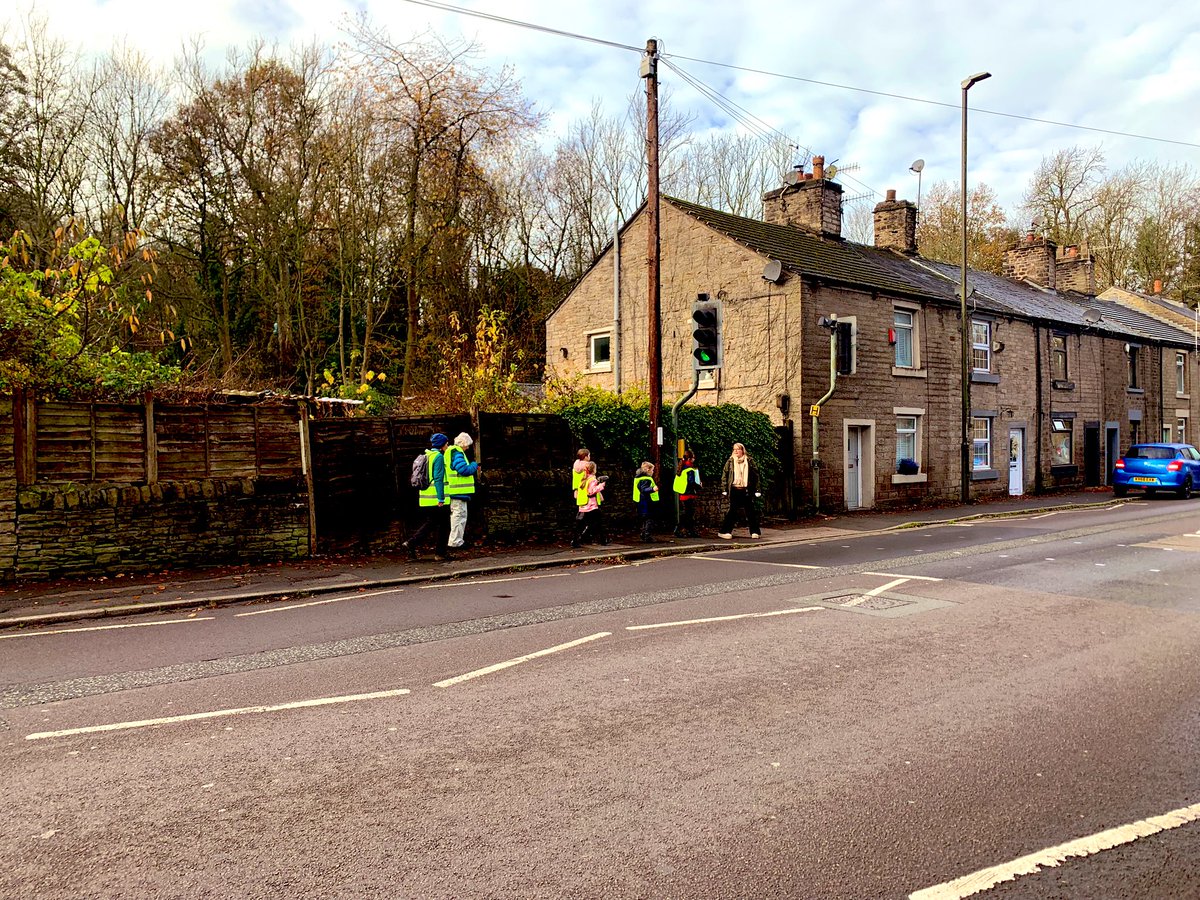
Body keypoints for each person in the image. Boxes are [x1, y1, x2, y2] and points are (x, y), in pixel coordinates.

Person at [401, 433, 452, 559]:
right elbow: (438, 478)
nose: (447, 445)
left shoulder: (427, 455)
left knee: (432, 523)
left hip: (425, 497)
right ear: (442, 445)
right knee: (443, 525)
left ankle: (412, 544)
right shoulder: (438, 457)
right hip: (436, 498)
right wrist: (441, 498)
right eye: (446, 443)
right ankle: (439, 553)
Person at [445, 432, 480, 550]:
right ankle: (456, 541)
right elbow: (464, 470)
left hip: (455, 491)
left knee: (458, 516)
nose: (468, 447)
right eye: (467, 444)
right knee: (459, 516)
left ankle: (456, 540)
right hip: (457, 491)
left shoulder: (451, 451)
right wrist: (474, 465)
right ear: (463, 443)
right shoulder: (457, 453)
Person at [718, 442, 761, 539]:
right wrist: (724, 488)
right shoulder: (730, 461)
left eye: (738, 449)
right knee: (733, 511)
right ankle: (724, 531)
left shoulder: (749, 461)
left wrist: (757, 489)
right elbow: (725, 475)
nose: (736, 451)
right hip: (735, 489)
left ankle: (755, 532)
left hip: (746, 489)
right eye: (734, 449)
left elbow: (756, 475)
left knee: (750, 511)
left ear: (742, 450)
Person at [571, 460, 608, 547]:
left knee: (580, 525)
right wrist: (601, 486)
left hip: (583, 506)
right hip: (591, 506)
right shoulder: (592, 480)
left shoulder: (583, 479)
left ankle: (575, 541)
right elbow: (591, 492)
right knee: (599, 523)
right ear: (593, 470)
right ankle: (603, 540)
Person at [673, 450, 701, 537]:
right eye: (693, 458)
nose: (694, 460)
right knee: (688, 514)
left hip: (683, 493)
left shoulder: (681, 468)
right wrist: (699, 486)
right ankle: (680, 530)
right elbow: (691, 482)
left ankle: (690, 530)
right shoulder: (690, 470)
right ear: (690, 458)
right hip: (689, 494)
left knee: (688, 513)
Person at [632, 461, 659, 543]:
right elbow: (644, 489)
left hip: (640, 501)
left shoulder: (638, 478)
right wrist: (653, 489)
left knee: (644, 519)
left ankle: (643, 534)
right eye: (652, 470)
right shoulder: (646, 479)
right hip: (646, 501)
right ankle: (647, 536)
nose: (653, 472)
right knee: (649, 519)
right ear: (647, 470)